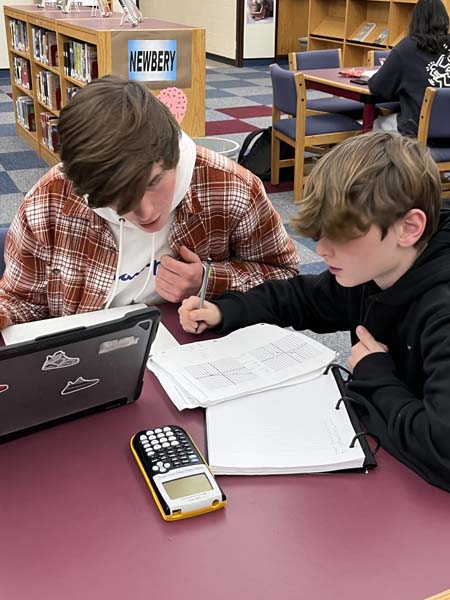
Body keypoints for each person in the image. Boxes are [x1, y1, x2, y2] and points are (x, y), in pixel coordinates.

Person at [179, 131, 450, 492]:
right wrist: (224, 311)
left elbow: (443, 453)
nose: (321, 250)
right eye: (320, 234)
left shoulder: (441, 311)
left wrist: (374, 375)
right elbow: (301, 297)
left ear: (409, 228)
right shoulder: (376, 270)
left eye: (340, 236)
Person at [0, 75, 299, 329]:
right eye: (118, 199)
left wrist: (209, 280)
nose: (146, 212)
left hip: (192, 353)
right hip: (84, 360)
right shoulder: (51, 197)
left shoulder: (232, 185)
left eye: (154, 183)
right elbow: (20, 300)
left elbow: (285, 276)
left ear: (173, 155)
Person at [368, 0, 450, 136]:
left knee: (374, 126)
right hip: (446, 129)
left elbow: (378, 88)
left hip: (418, 131)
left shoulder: (406, 48)